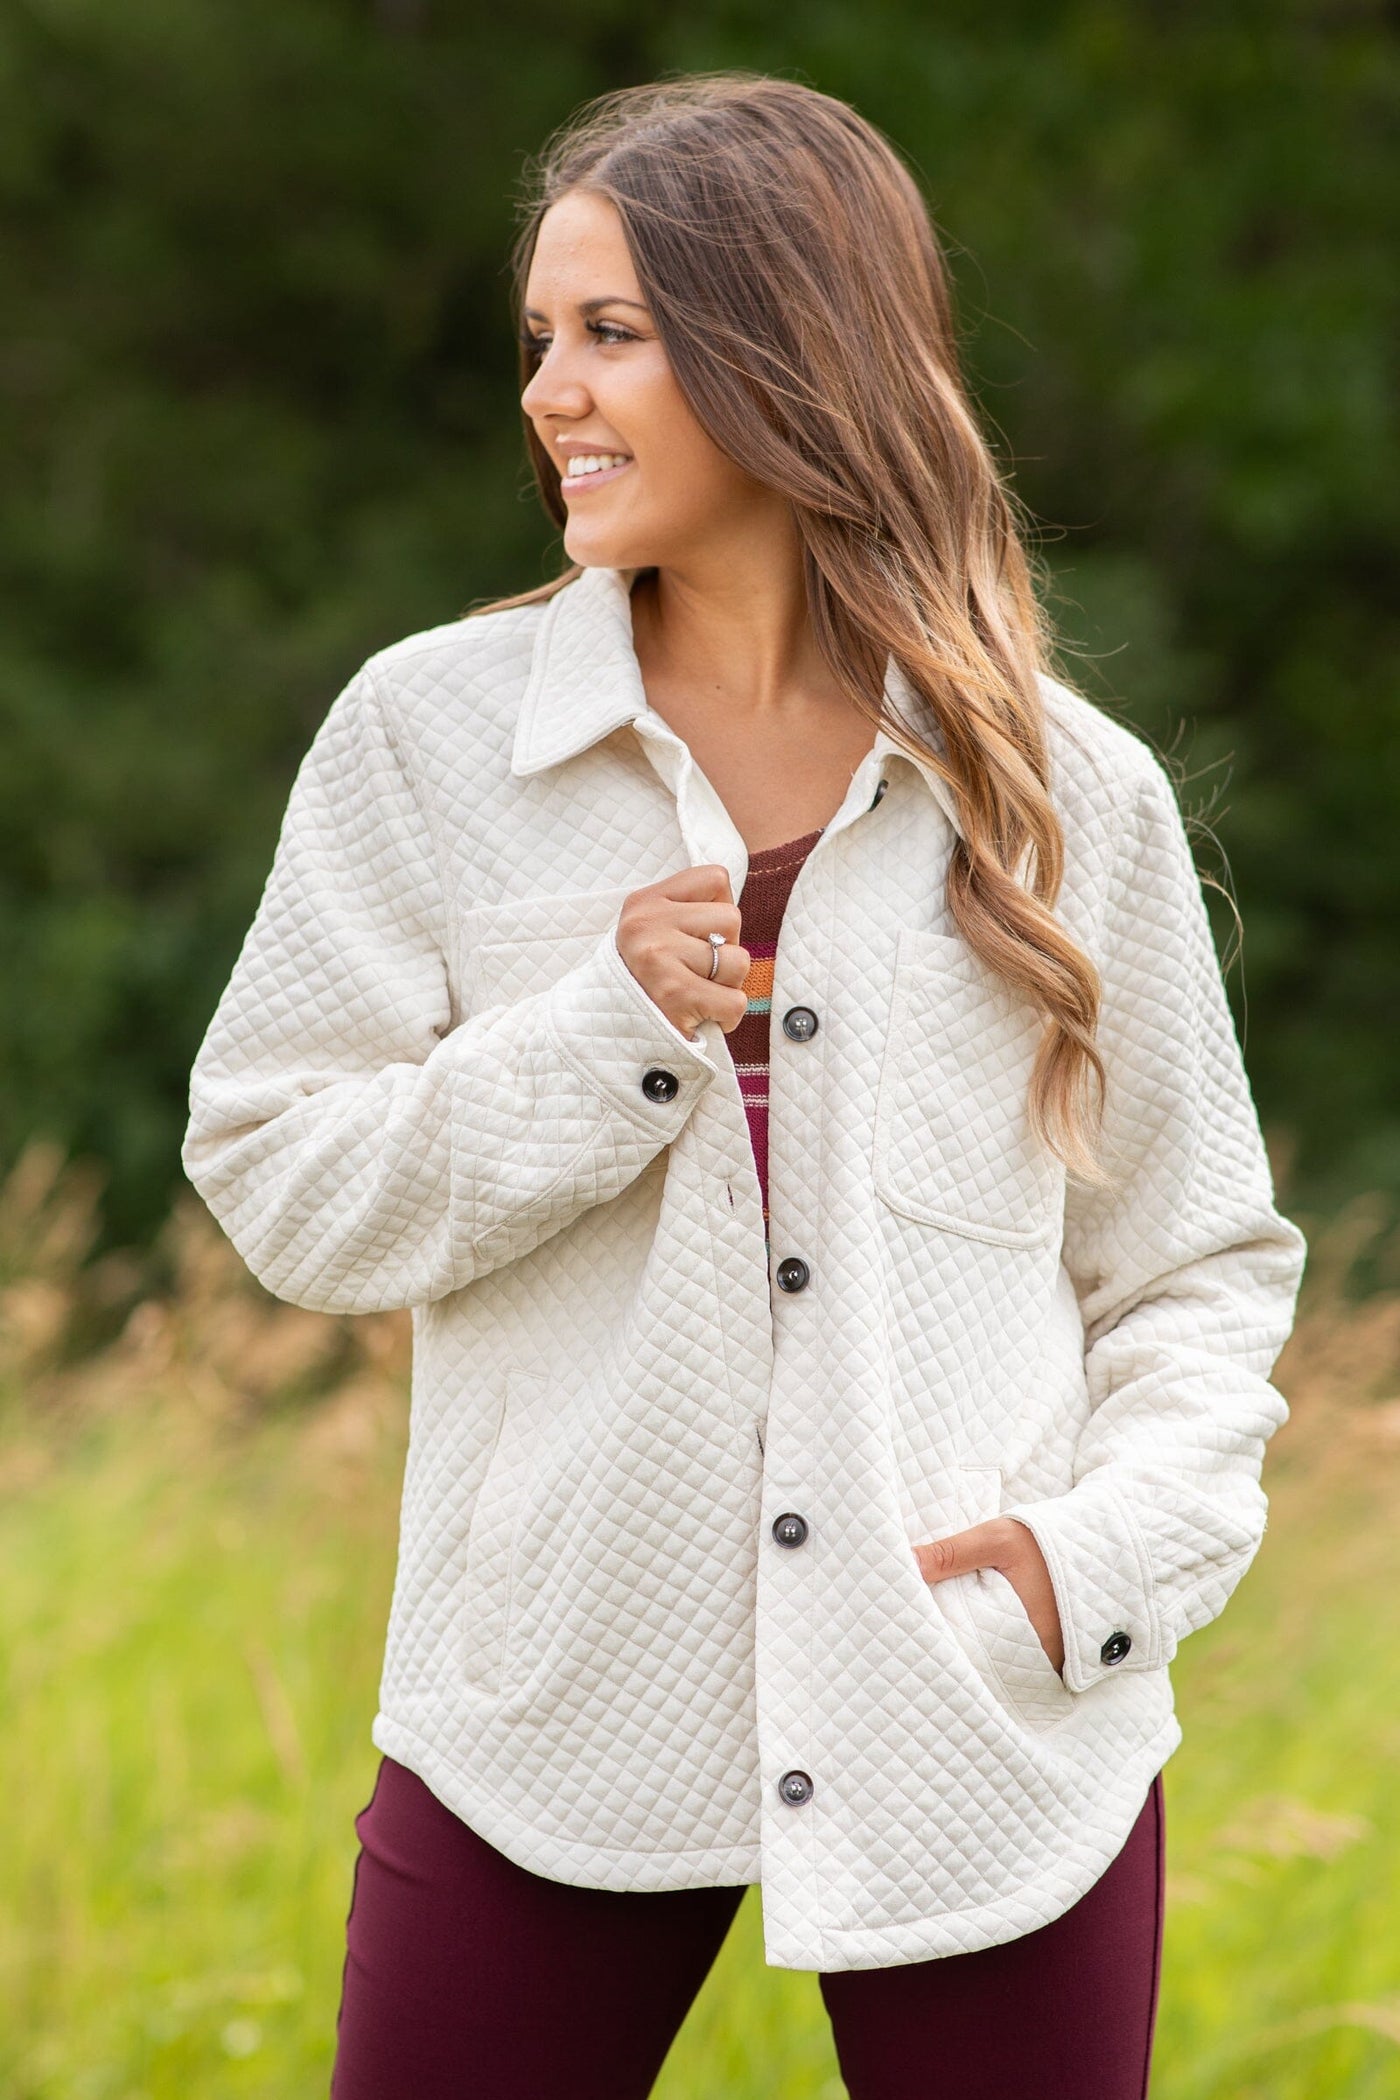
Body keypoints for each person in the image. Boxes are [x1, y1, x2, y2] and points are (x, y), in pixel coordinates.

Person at [181, 72, 1307, 2100]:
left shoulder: (1064, 794)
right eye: (540, 335)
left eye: (611, 333)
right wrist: (597, 1038)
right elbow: (278, 1175)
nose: (550, 391)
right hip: (546, 1706)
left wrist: (1105, 1560)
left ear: (788, 354)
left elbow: (1197, 1266)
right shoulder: (425, 739)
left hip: (979, 1720)